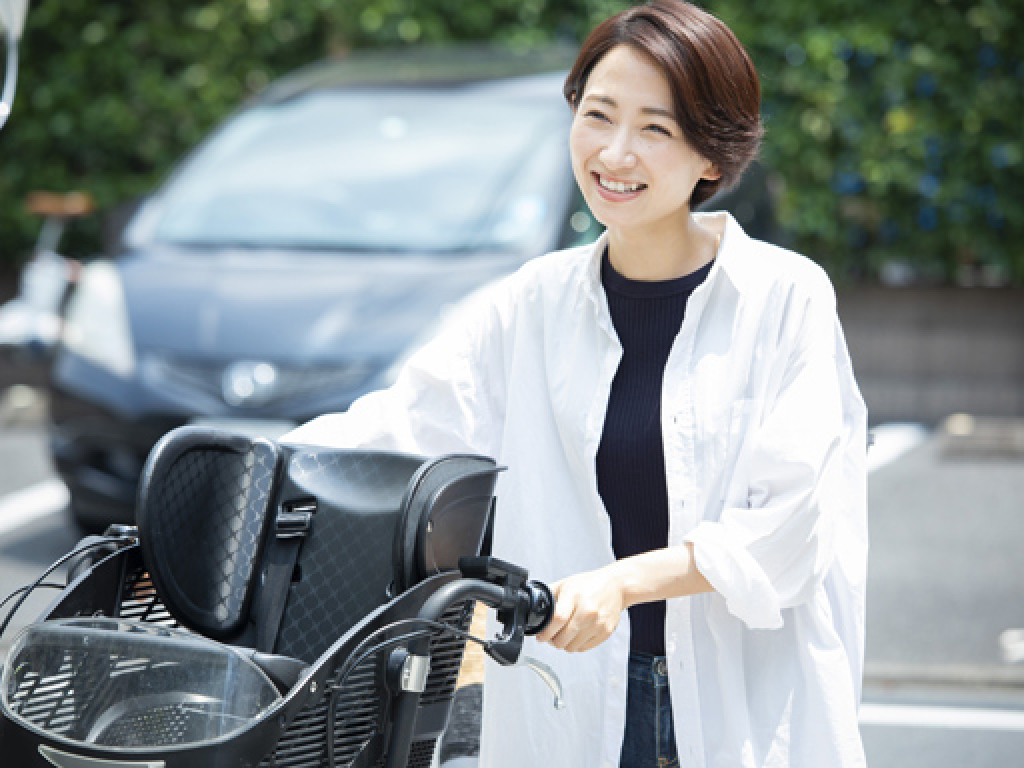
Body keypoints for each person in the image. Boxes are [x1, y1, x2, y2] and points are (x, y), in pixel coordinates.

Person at [282, 1, 868, 766]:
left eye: (656, 129)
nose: (616, 153)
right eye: (599, 115)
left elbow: (788, 529)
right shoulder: (534, 302)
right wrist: (244, 477)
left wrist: (622, 585)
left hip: (740, 711)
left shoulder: (785, 297)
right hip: (575, 703)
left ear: (713, 157)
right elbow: (401, 428)